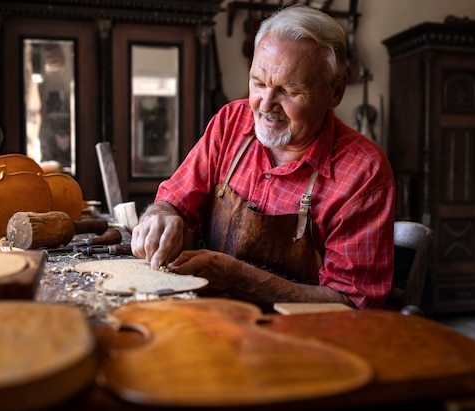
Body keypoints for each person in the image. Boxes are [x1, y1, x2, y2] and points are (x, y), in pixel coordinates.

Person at [131, 4, 395, 310]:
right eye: (258, 83)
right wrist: (159, 216)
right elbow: (173, 201)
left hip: (303, 341)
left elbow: (351, 305)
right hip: (213, 319)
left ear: (335, 92)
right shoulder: (231, 122)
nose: (265, 105)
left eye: (289, 90)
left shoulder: (364, 171)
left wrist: (238, 277)